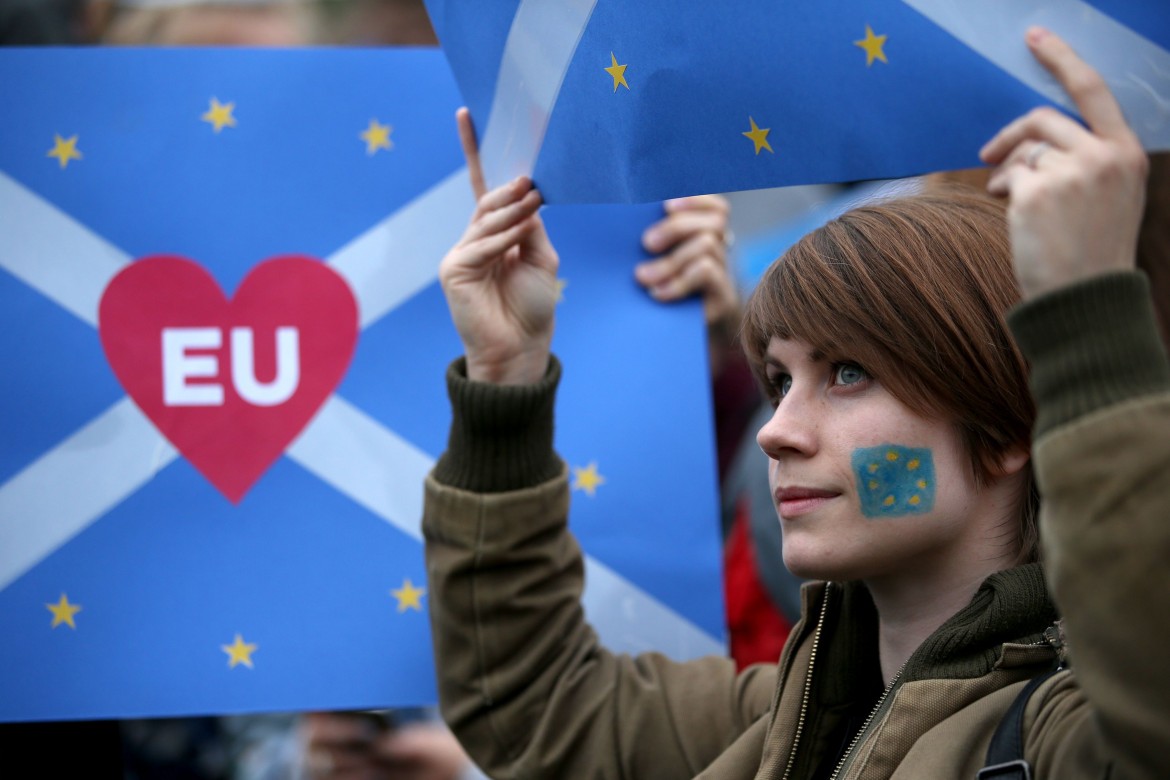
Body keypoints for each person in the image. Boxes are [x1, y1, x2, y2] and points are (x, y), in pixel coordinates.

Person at [422, 25, 1168, 779]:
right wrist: (504, 381)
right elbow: (537, 706)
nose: (776, 433)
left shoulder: (1063, 740)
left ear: (1010, 425)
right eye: (778, 382)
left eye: (848, 373)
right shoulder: (775, 721)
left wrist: (1087, 309)